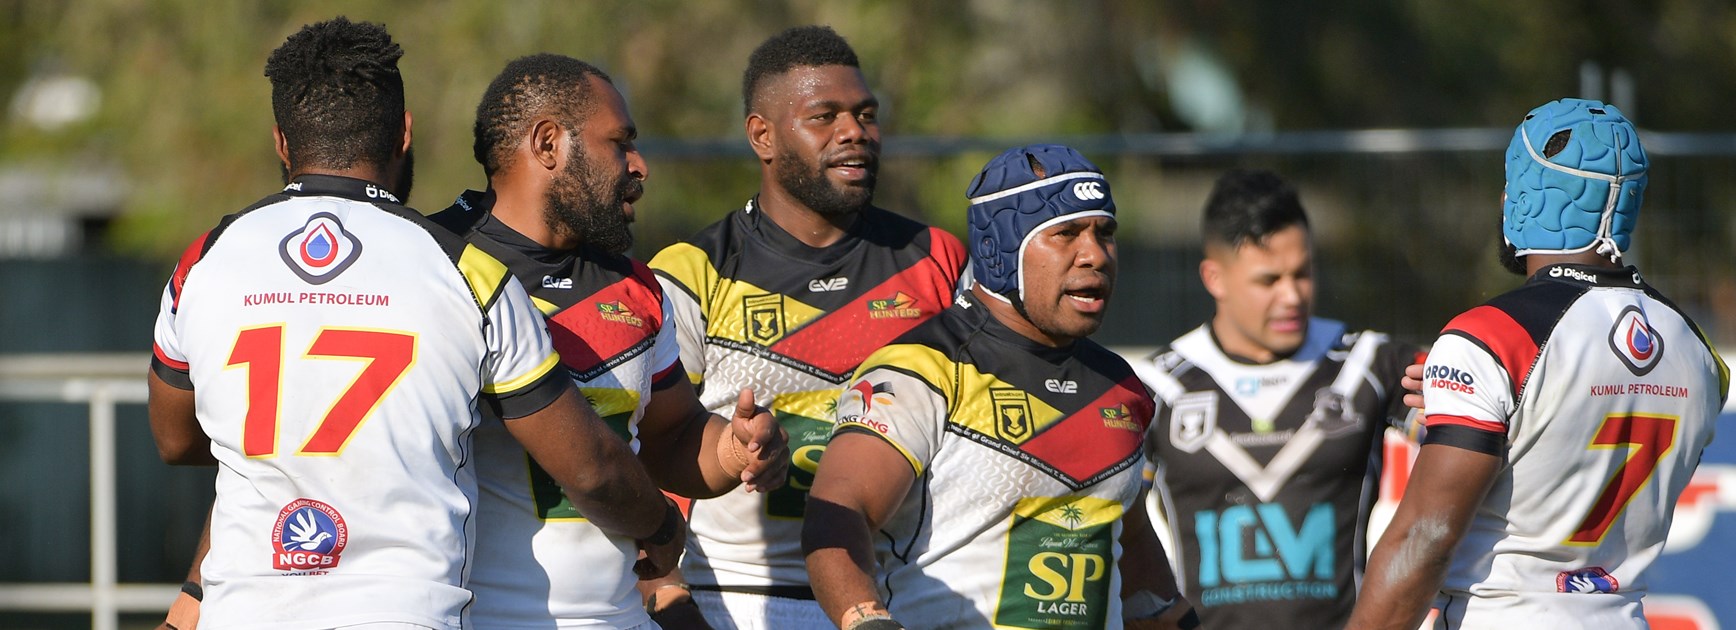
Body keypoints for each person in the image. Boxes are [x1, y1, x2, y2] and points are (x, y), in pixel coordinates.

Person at [146, 18, 672, 629]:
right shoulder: (466, 271)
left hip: (245, 613)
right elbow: (589, 466)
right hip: (403, 612)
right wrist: (661, 526)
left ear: (282, 143)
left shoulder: (205, 259)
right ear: (404, 133)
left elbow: (177, 440)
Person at [428, 53, 790, 630]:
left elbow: (671, 436)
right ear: (548, 144)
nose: (639, 165)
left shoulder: (633, 284)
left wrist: (734, 449)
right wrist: (663, 531)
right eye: (620, 143)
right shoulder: (433, 267)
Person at [1347, 99, 1729, 629]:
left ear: (1528, 197)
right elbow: (1568, 441)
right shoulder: (1699, 352)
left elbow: (1424, 537)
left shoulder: (1492, 335)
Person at [647, 25, 966, 629]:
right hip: (736, 600)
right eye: (825, 116)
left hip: (899, 598)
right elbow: (651, 442)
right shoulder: (692, 272)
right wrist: (665, 590)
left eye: (866, 114)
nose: (855, 132)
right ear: (761, 136)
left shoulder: (940, 261)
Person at [803, 144, 1194, 629]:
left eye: (1105, 232)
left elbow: (1131, 542)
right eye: (1067, 233)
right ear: (1000, 248)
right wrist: (865, 620)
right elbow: (836, 515)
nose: (1095, 254)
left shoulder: (1120, 389)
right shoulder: (919, 371)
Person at [1129, 169, 1423, 628]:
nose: (1292, 296)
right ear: (1214, 278)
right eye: (1268, 280)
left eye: (1303, 274)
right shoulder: (1154, 386)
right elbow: (1114, 526)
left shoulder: (1371, 363)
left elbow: (1480, 440)